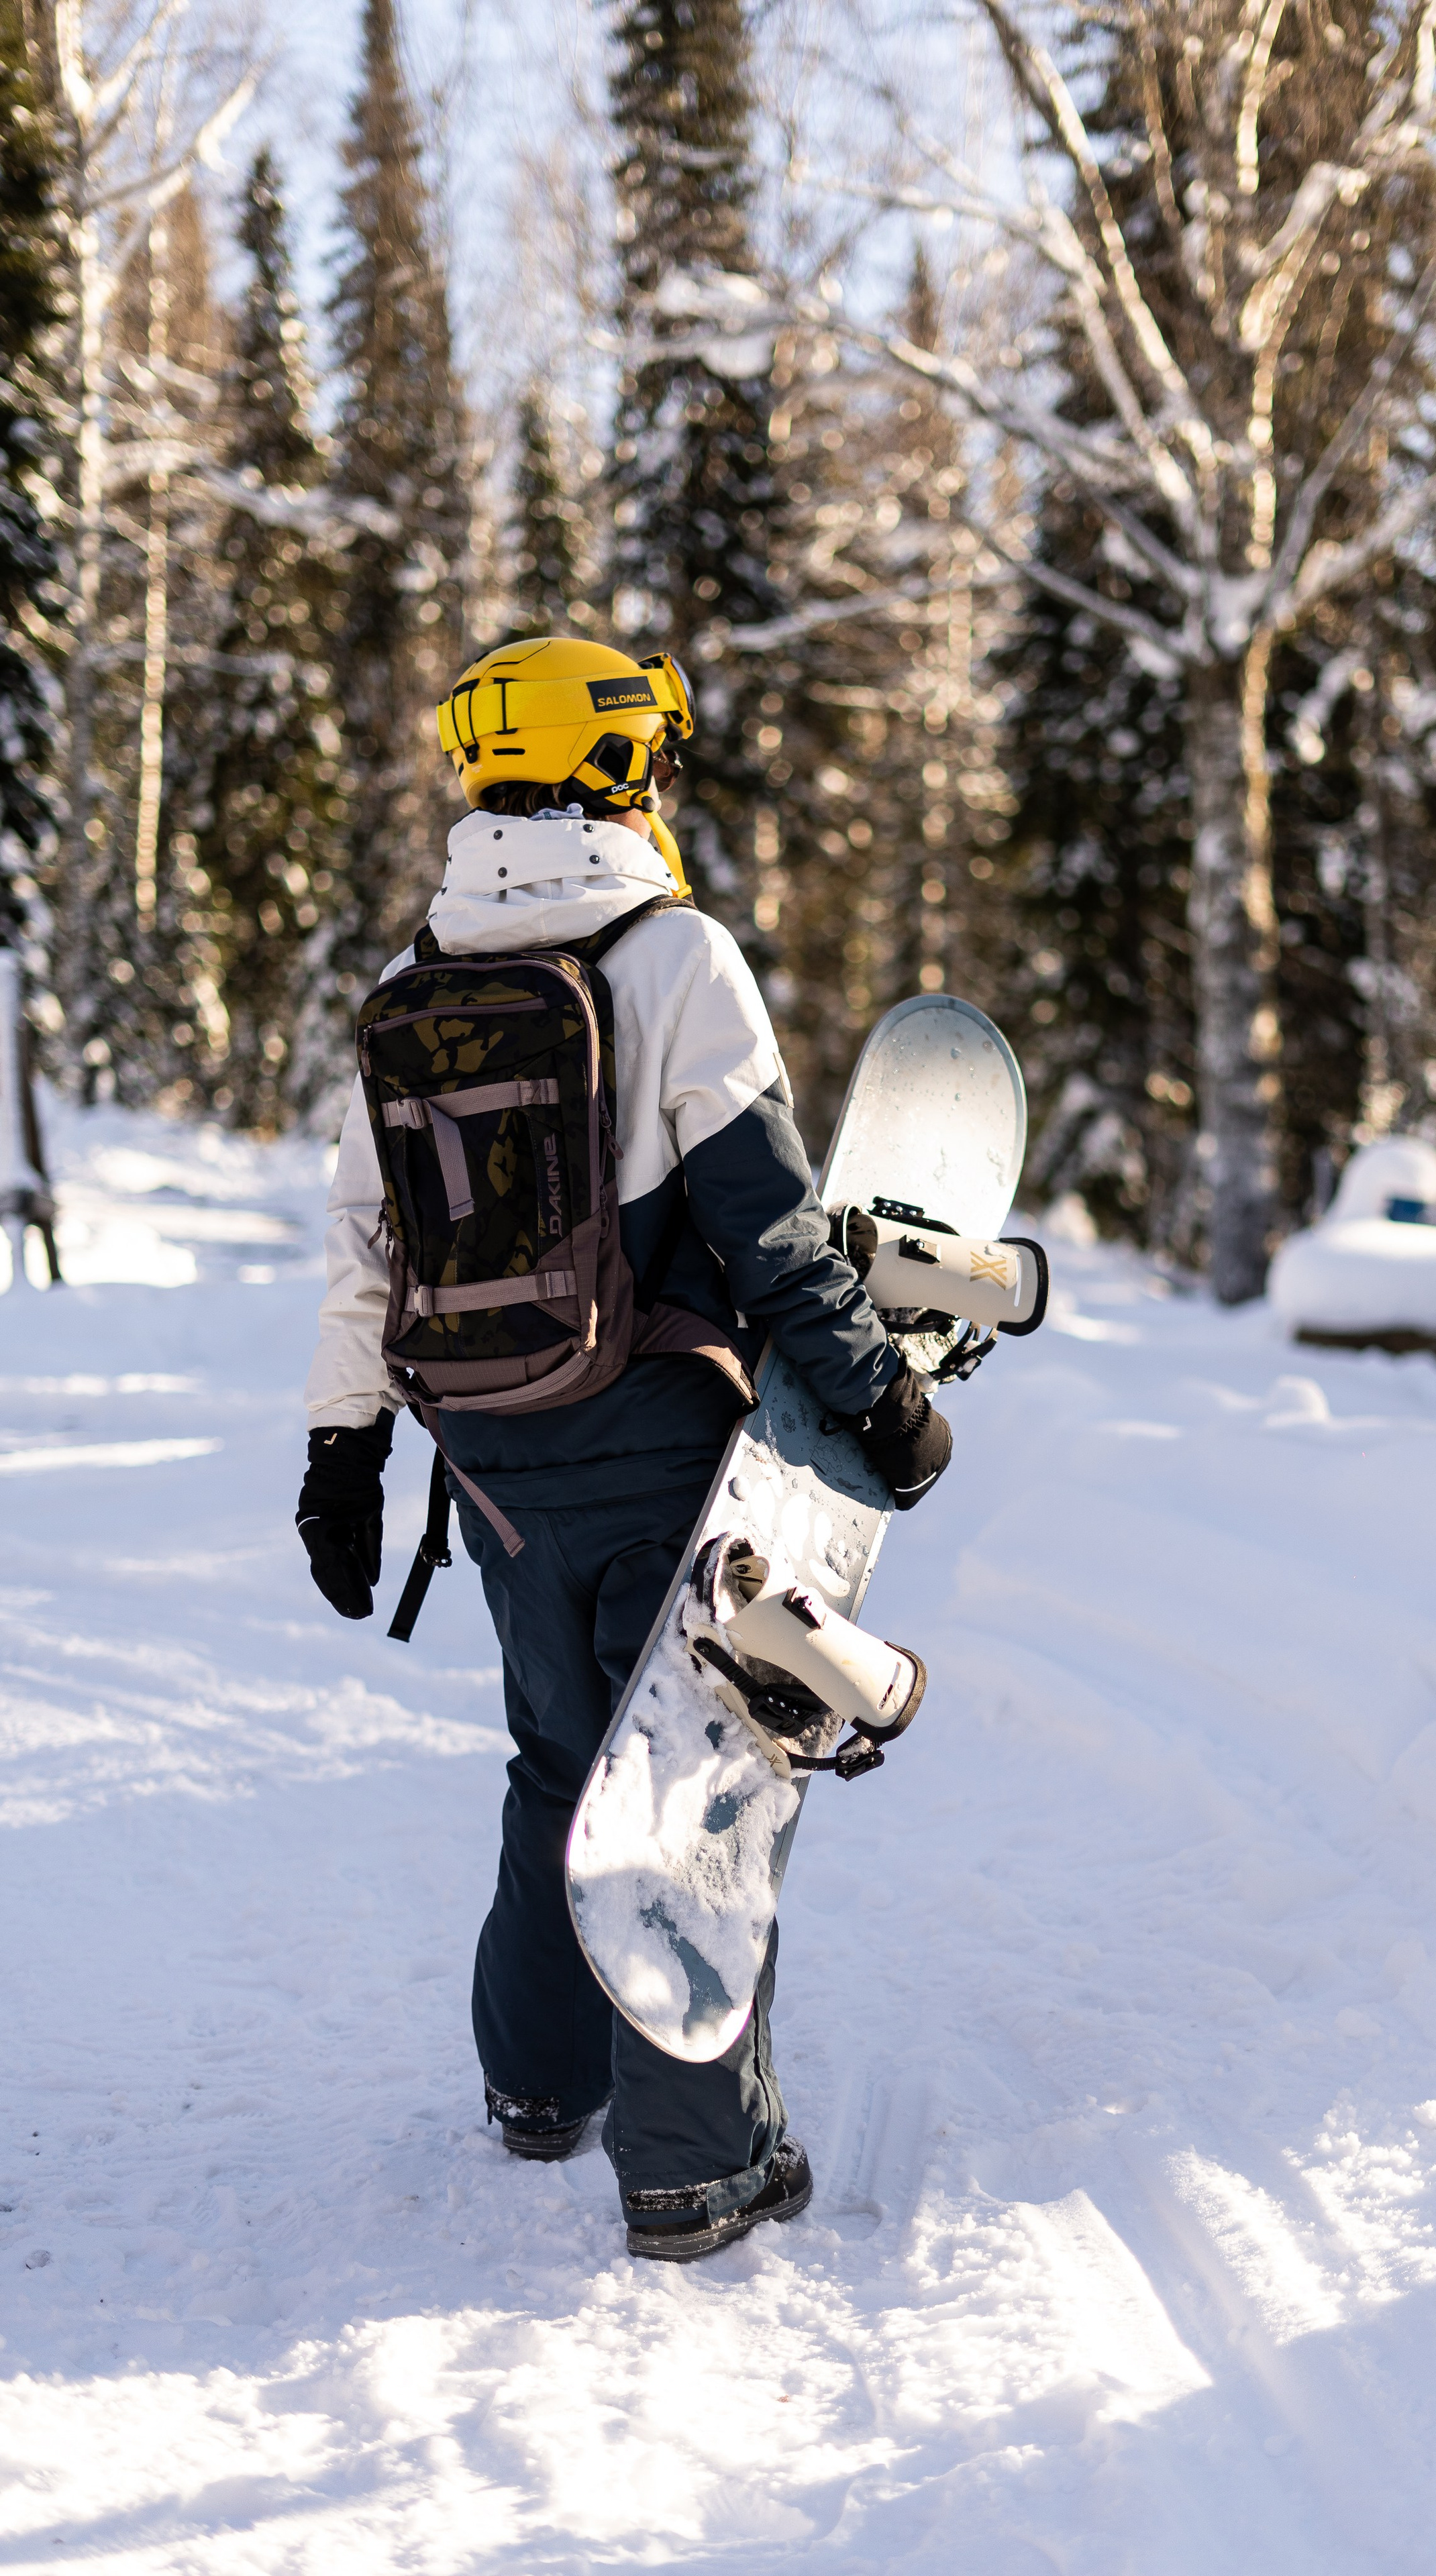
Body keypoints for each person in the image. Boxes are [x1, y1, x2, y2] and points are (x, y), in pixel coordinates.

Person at [296, 636, 952, 2261]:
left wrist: (342, 1458)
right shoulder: (675, 960)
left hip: (492, 1465)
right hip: (664, 1443)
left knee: (555, 1766)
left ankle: (536, 2087)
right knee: (699, 1786)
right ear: (617, 770)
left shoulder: (404, 987)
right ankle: (693, 2168)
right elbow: (766, 1227)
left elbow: (364, 1261)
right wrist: (878, 1400)